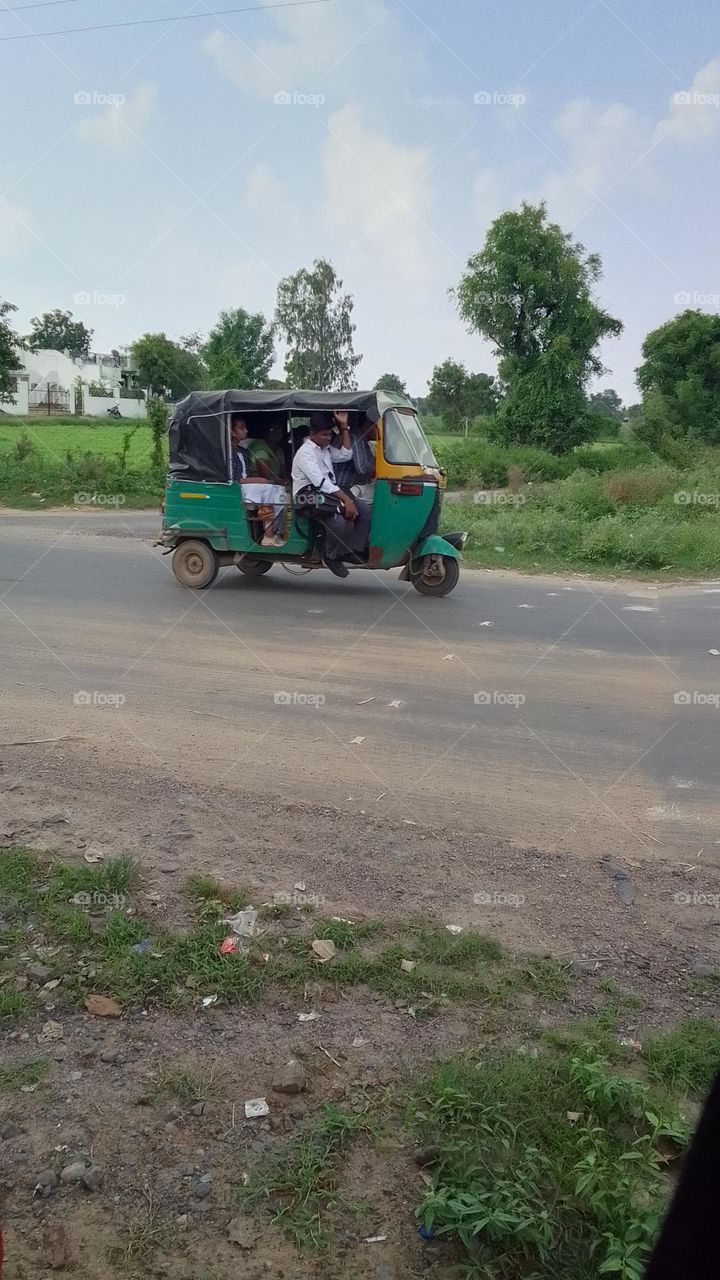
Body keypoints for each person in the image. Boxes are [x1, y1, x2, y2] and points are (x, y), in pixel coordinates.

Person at [291, 410, 372, 578]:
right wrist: (346, 500)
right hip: (307, 496)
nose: (328, 438)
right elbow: (321, 482)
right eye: (324, 435)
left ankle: (352, 550)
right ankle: (330, 556)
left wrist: (344, 427)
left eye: (329, 434)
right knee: (340, 517)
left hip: (326, 493)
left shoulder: (325, 448)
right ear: (312, 433)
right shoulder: (305, 453)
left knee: (364, 511)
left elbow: (346, 454)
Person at [230, 415, 288, 546]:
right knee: (267, 488)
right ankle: (268, 535)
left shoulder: (243, 451)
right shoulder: (228, 453)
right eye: (241, 428)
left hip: (249, 486)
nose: (246, 431)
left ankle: (277, 531)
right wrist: (258, 480)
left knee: (280, 491)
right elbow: (233, 478)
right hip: (237, 488)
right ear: (232, 432)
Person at [334, 414, 377, 502]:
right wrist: (376, 467)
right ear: (366, 425)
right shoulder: (356, 439)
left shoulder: (362, 440)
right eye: (376, 426)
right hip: (345, 487)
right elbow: (362, 468)